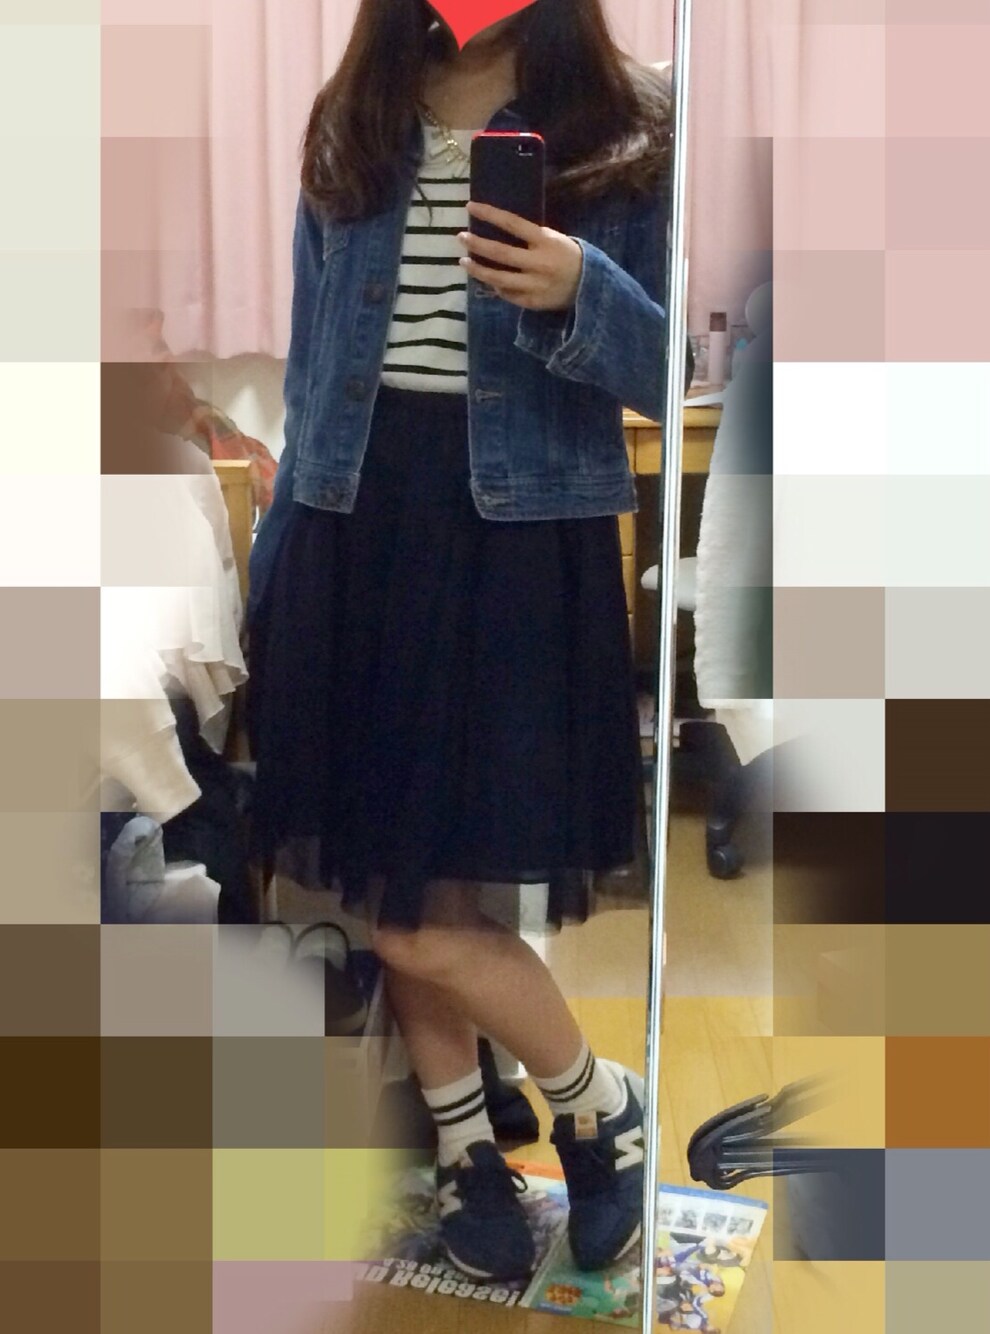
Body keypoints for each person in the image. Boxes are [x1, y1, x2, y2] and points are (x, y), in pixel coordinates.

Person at [247, 0, 677, 1283]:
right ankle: (467, 1151)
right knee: (396, 885)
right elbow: (311, 350)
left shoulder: (627, 122)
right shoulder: (356, 109)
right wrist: (279, 555)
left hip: (516, 533)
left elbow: (667, 367)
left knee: (424, 913)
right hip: (351, 518)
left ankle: (598, 1104)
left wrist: (581, 288)